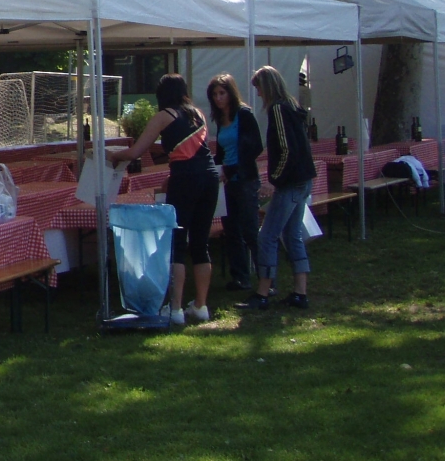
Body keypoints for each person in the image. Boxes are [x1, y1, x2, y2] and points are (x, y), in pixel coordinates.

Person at [109, 74, 219, 325]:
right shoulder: (198, 114)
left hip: (185, 180)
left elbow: (136, 151)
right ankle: (201, 305)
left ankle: (175, 308)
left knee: (177, 243)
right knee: (200, 243)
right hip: (210, 177)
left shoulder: (163, 116)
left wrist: (113, 156)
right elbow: (194, 151)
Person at [239, 65, 317, 310]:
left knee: (267, 235)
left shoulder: (278, 109)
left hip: (290, 182)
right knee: (292, 235)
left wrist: (274, 180)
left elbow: (286, 149)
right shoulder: (292, 106)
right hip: (304, 179)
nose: (259, 94)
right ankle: (300, 292)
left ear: (267, 87)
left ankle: (263, 292)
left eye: (259, 88)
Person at [208, 73, 263, 292]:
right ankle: (241, 278)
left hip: (245, 179)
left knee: (250, 230)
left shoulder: (244, 114)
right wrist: (215, 167)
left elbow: (255, 147)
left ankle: (267, 279)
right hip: (227, 181)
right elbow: (222, 151)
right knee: (231, 231)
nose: (218, 98)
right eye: (214, 94)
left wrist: (233, 169)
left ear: (231, 93)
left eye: (222, 93)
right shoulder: (220, 119)